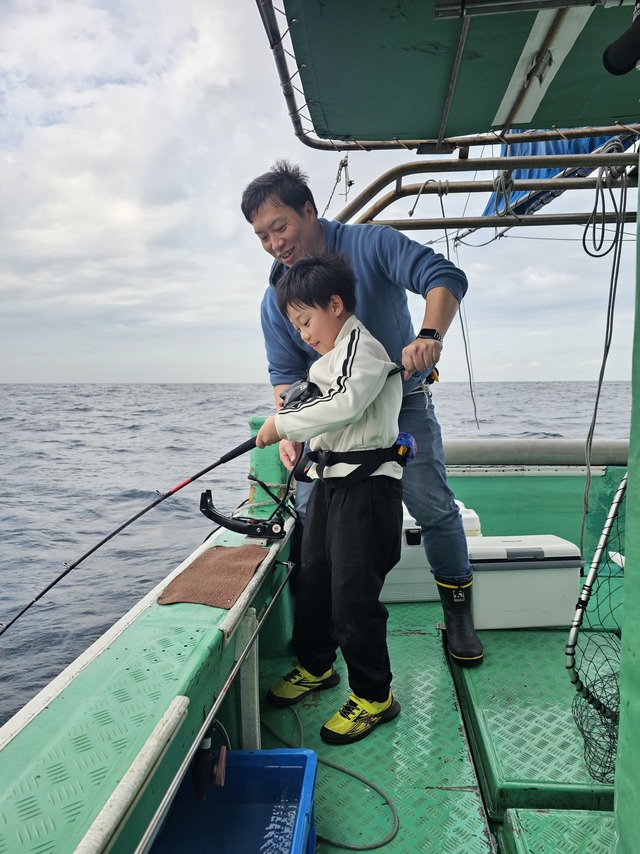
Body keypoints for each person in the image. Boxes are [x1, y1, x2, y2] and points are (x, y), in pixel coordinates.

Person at [242, 160, 483, 668]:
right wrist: (291, 428)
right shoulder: (275, 299)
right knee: (312, 520)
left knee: (433, 506)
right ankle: (320, 644)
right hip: (332, 424)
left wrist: (430, 335)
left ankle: (458, 610)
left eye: (280, 227)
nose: (274, 243)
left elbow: (443, 276)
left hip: (402, 405)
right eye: (262, 236)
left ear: (309, 211)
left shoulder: (371, 243)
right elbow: (286, 374)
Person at [255, 252, 404, 745]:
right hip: (328, 485)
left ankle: (374, 695)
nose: (303, 335)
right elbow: (315, 407)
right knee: (314, 578)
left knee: (353, 594)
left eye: (306, 321)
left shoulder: (364, 349)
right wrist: (293, 431)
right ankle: (317, 665)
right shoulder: (327, 360)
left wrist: (281, 424)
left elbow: (343, 405)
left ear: (335, 305)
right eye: (296, 327)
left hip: (367, 489)